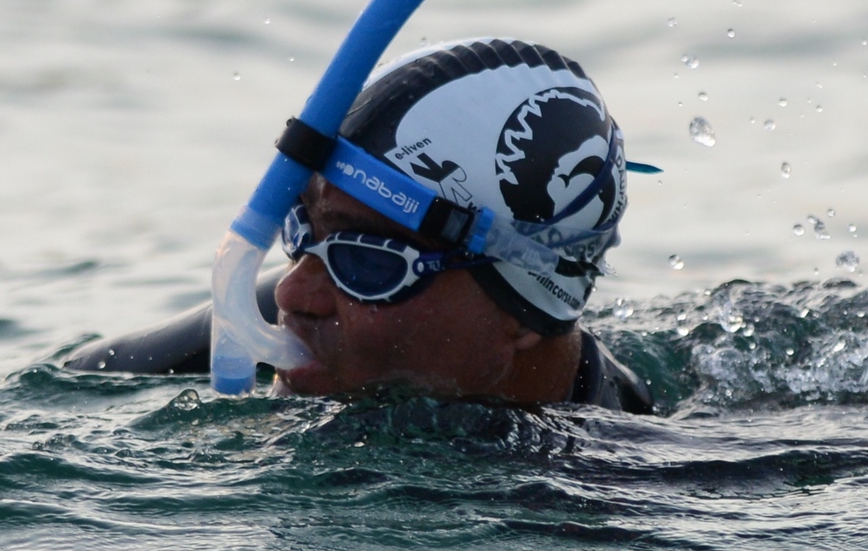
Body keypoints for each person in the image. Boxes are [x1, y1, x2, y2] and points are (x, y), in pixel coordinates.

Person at [79, 36, 656, 413]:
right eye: (301, 229)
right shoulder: (255, 316)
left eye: (369, 261)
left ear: (525, 311)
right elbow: (75, 386)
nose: (291, 291)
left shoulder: (624, 500)